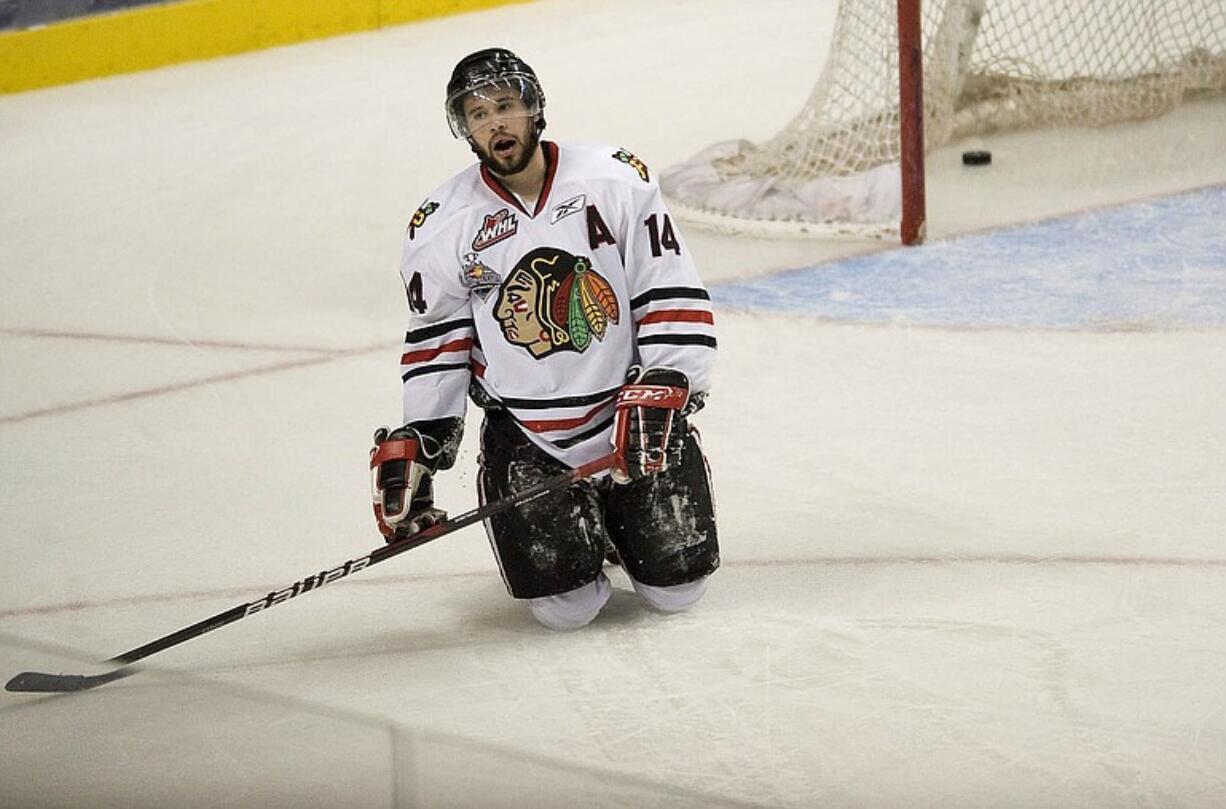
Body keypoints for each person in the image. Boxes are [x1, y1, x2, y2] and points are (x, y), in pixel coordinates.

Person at [369, 48, 719, 630]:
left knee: (678, 595)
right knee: (566, 612)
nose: (494, 123)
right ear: (465, 129)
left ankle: (617, 522)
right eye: (477, 114)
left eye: (505, 106)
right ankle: (582, 523)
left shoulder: (612, 179)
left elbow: (666, 282)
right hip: (531, 436)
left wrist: (670, 379)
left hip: (627, 416)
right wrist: (425, 438)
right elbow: (438, 333)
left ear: (534, 109)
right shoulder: (442, 223)